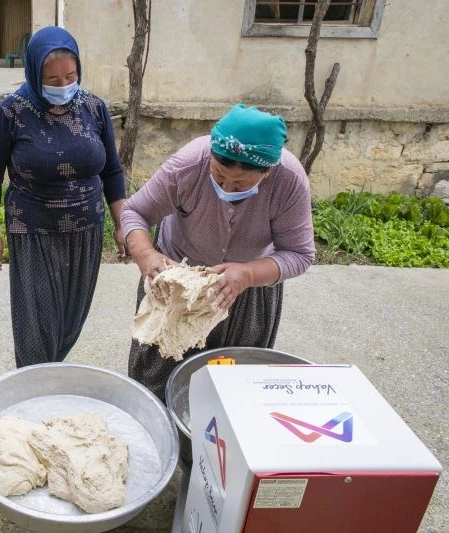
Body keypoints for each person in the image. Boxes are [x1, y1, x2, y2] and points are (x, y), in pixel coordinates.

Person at [122, 104, 315, 401]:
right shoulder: (188, 165)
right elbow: (134, 212)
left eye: (240, 183)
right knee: (155, 380)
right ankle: (166, 441)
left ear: (267, 171)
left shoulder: (288, 180)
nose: (226, 186)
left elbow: (300, 254)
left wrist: (247, 274)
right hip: (174, 287)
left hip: (243, 291)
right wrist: (147, 255)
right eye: (218, 174)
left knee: (233, 386)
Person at [0, 26, 127, 367]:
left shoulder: (94, 107)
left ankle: (51, 373)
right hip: (34, 229)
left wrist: (123, 225)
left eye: (70, 76)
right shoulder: (11, 113)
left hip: (86, 228)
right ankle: (35, 386)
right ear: (34, 73)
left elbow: (112, 171)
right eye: (52, 79)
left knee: (70, 319)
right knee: (37, 324)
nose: (62, 86)